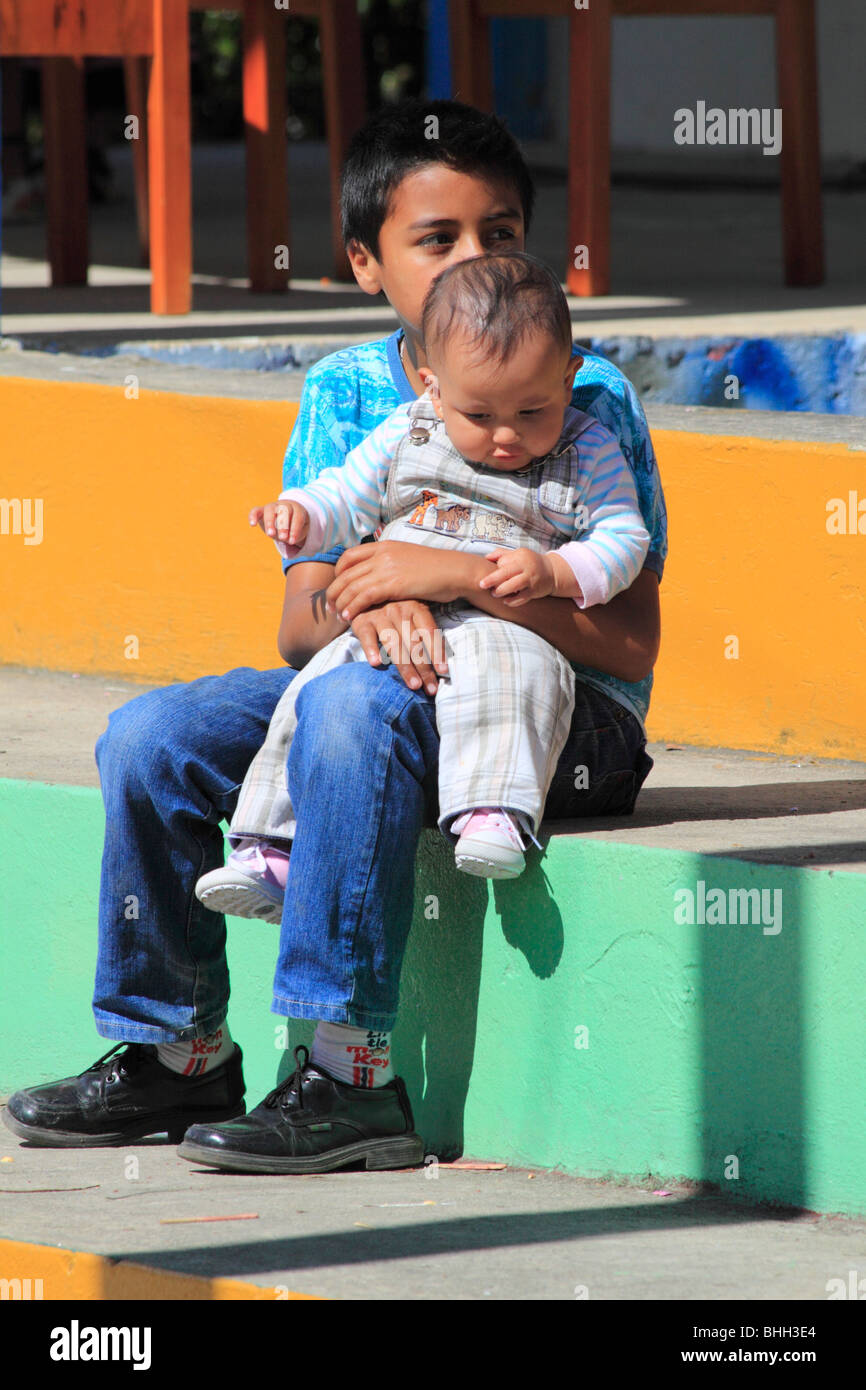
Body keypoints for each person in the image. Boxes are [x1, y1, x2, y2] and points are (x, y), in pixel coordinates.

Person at [1, 99, 666, 1175]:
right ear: (366, 263)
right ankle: (177, 1048)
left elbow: (627, 642)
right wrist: (375, 600)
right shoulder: (346, 391)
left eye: (499, 234)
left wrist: (449, 579)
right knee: (151, 736)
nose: (471, 258)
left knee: (357, 706)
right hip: (373, 672)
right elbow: (297, 619)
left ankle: (349, 1075)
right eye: (434, 238)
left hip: (552, 725)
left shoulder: (582, 396)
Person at [195, 251, 650, 921]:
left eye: (532, 409)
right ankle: (268, 847)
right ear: (433, 389)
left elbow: (623, 540)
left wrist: (557, 571)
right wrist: (304, 516)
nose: (506, 435)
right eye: (479, 413)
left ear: (569, 374)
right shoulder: (403, 433)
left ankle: (492, 810)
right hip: (398, 631)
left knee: (513, 675)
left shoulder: (590, 449)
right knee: (317, 689)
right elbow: (345, 497)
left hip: (507, 620)